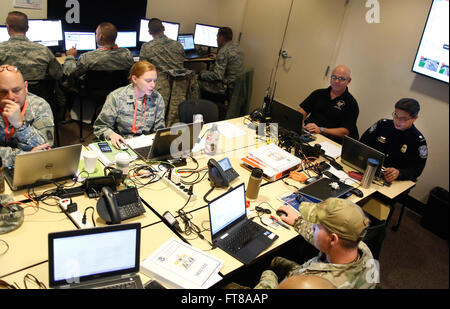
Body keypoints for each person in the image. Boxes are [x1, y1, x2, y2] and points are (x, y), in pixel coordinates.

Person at [252, 198, 375, 289]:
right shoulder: (360, 248)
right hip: (305, 272)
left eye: (316, 226)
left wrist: (269, 277)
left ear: (333, 239)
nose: (313, 227)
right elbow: (320, 237)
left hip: (299, 282)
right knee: (274, 260)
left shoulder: (319, 284)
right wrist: (297, 221)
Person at [0, 11, 65, 121]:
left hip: (7, 104)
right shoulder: (44, 50)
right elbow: (59, 75)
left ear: (8, 27)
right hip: (39, 103)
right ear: (27, 28)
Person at [93, 60, 165, 148]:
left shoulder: (157, 98)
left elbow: (159, 130)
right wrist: (111, 135)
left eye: (155, 81)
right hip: (122, 143)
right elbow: (100, 127)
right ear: (134, 79)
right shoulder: (117, 97)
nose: (153, 85)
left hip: (146, 144)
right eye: (148, 81)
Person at [360, 98, 427, 183]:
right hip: (368, 170)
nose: (398, 121)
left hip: (392, 181)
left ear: (414, 118)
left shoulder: (418, 141)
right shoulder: (383, 124)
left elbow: (416, 170)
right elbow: (362, 143)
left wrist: (399, 173)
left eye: (403, 119)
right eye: (396, 115)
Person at [0, 65, 54, 167]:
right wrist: (24, 157)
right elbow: (35, 157)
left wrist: (20, 126)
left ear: (25, 87)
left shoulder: (39, 106)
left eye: (16, 90)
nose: (11, 97)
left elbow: (45, 151)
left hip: (32, 168)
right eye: (3, 92)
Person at [298, 65, 359, 144]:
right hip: (309, 132)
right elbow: (301, 111)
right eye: (334, 77)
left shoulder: (351, 103)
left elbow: (344, 132)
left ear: (349, 81)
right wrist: (300, 122)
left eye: (341, 79)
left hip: (329, 140)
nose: (336, 81)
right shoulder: (318, 93)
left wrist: (321, 130)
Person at [63, 22, 134, 79]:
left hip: (92, 95)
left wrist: (70, 56)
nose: (96, 35)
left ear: (101, 37)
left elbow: (69, 73)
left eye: (96, 33)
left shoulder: (87, 57)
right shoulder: (127, 54)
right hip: (118, 94)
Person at [198, 27, 244, 98]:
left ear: (221, 37)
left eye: (217, 37)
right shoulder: (237, 47)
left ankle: (203, 107)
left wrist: (202, 74)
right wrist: (218, 58)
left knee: (196, 83)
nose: (216, 39)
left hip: (226, 88)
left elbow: (217, 76)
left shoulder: (223, 52)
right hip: (237, 87)